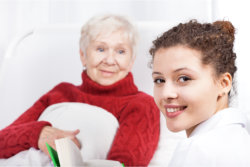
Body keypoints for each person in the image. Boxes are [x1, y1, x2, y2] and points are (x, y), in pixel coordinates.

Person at [0, 14, 160, 166]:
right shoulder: (61, 92)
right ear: (83, 55)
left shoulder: (141, 105)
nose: (110, 60)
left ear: (131, 61)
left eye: (120, 51)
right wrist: (38, 134)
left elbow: (124, 164)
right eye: (100, 49)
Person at [149, 20, 250, 166]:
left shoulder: (198, 149)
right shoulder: (239, 139)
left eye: (184, 78)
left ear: (224, 83)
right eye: (159, 80)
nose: (166, 93)